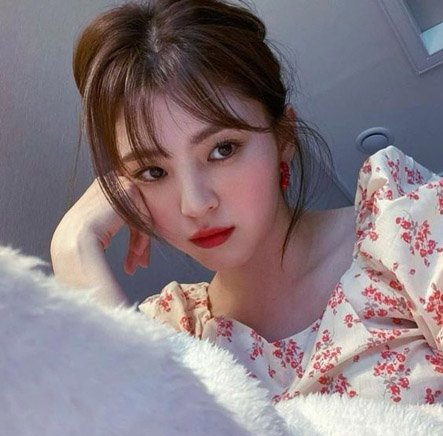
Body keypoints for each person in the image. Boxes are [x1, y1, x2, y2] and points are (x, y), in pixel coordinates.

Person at [51, 0, 442, 405]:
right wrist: (72, 247)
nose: (195, 204)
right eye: (153, 172)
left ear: (283, 138)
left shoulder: (405, 230)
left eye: (223, 149)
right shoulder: (172, 332)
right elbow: (139, 423)